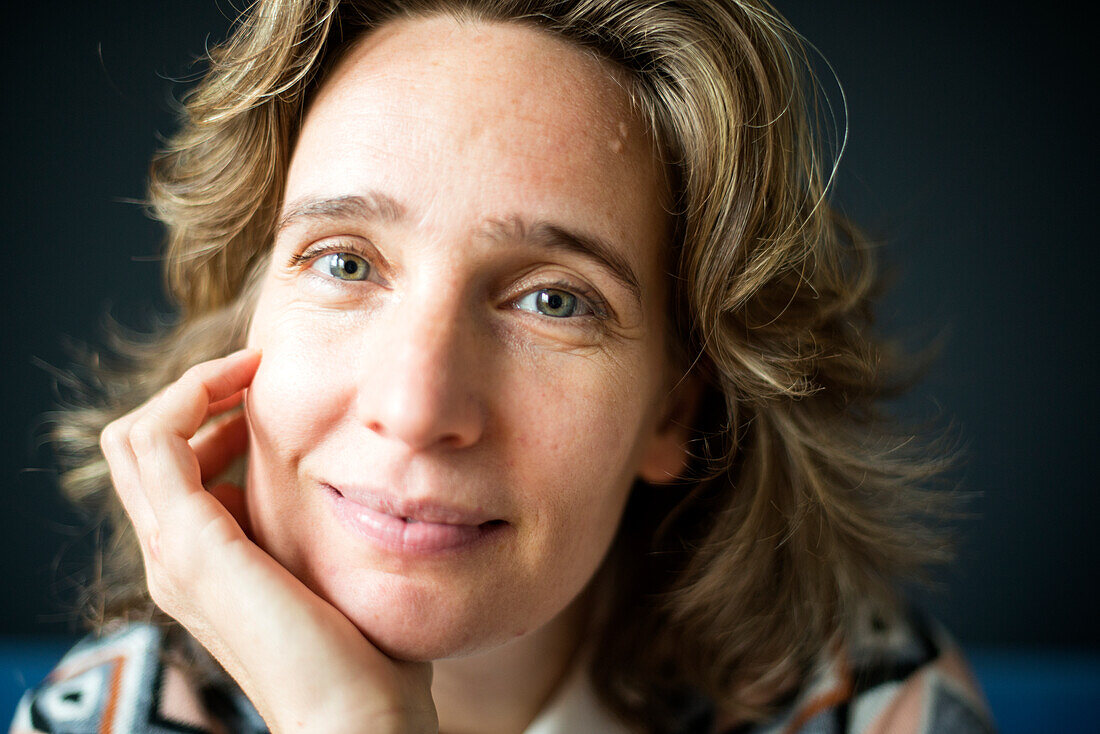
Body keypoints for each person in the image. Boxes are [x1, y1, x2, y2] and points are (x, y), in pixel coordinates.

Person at [11, 1, 995, 732]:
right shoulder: (108, 717)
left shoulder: (867, 700)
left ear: (673, 407)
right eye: (345, 261)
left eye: (553, 299)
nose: (415, 404)